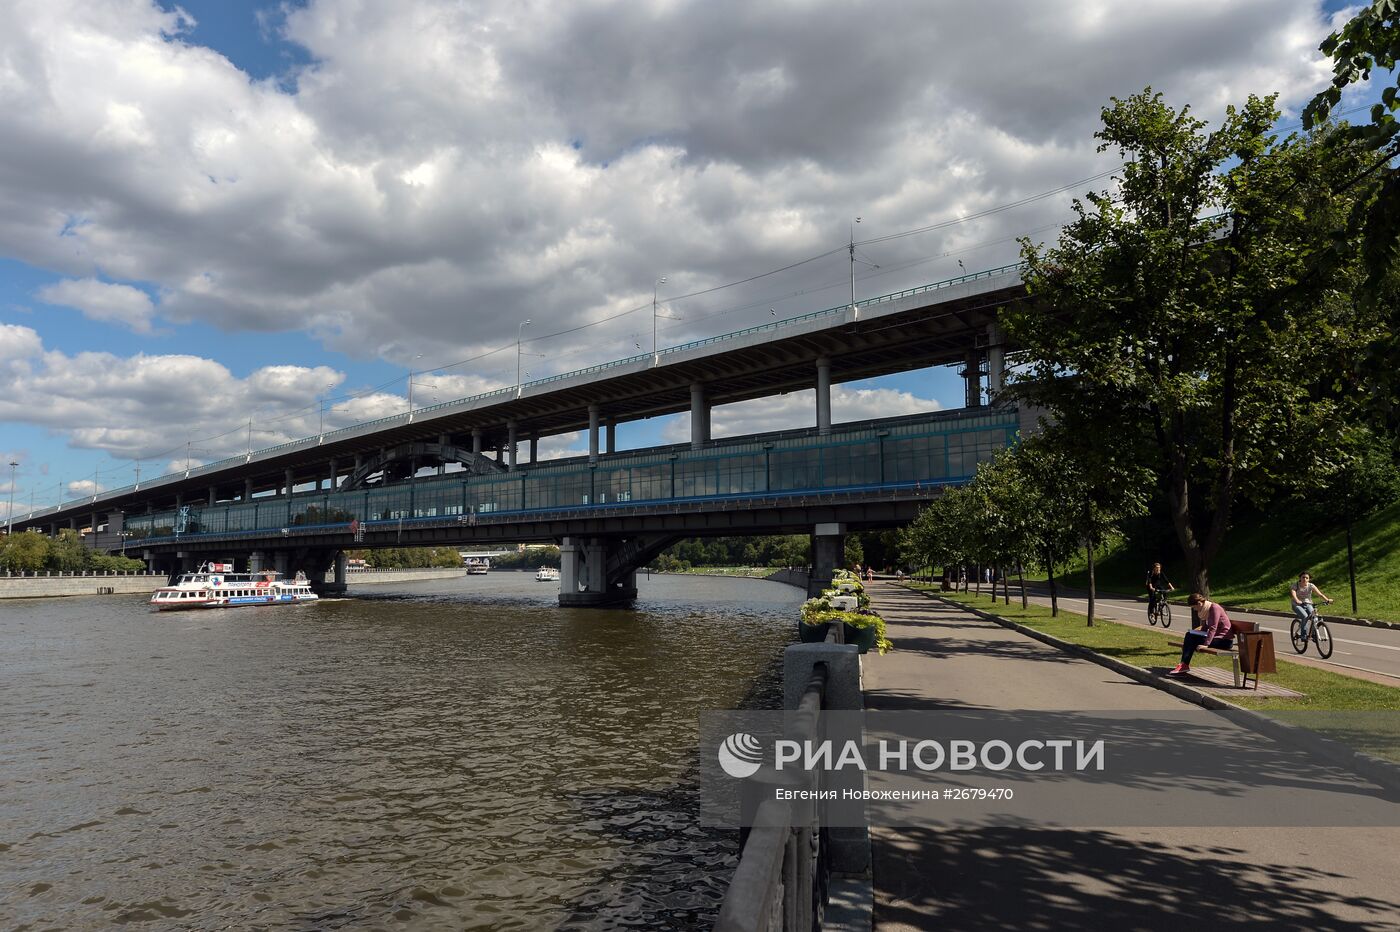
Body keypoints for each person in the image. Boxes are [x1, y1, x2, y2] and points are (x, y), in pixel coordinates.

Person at [1167, 593, 1233, 676]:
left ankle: (1184, 665)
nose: (1195, 610)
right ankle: (1184, 664)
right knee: (1190, 635)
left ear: (1199, 603)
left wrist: (1206, 645)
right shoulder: (1207, 609)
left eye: (1194, 607)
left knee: (1190, 639)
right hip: (1216, 639)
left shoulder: (1214, 608)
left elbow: (1213, 627)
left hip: (1224, 641)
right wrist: (1197, 632)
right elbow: (1206, 627)